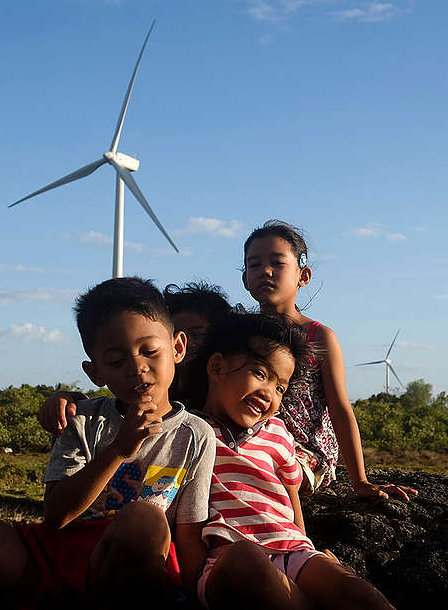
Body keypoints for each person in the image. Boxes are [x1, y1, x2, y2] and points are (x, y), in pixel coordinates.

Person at [0, 277, 216, 607]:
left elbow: (189, 534)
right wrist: (118, 451)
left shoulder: (195, 435)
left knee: (144, 519)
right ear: (95, 373)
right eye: (115, 361)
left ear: (178, 348)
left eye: (149, 351)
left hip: (134, 569)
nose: (137, 368)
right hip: (58, 553)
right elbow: (56, 514)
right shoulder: (83, 418)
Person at [188, 311, 398, 610]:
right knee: (245, 558)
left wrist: (306, 546)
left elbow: (291, 493)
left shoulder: (278, 433)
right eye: (260, 373)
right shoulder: (191, 432)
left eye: (280, 388)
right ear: (217, 366)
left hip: (292, 551)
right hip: (226, 559)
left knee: (353, 590)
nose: (269, 393)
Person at [242, 220, 415, 499]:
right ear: (245, 279)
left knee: (257, 467)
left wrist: (360, 481)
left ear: (304, 275)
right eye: (254, 265)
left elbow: (339, 408)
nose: (266, 271)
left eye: (277, 262)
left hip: (304, 453)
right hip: (251, 441)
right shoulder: (239, 336)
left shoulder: (319, 337)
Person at [37, 280, 231, 435]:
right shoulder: (93, 420)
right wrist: (71, 401)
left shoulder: (224, 403)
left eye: (199, 334)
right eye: (116, 361)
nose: (138, 367)